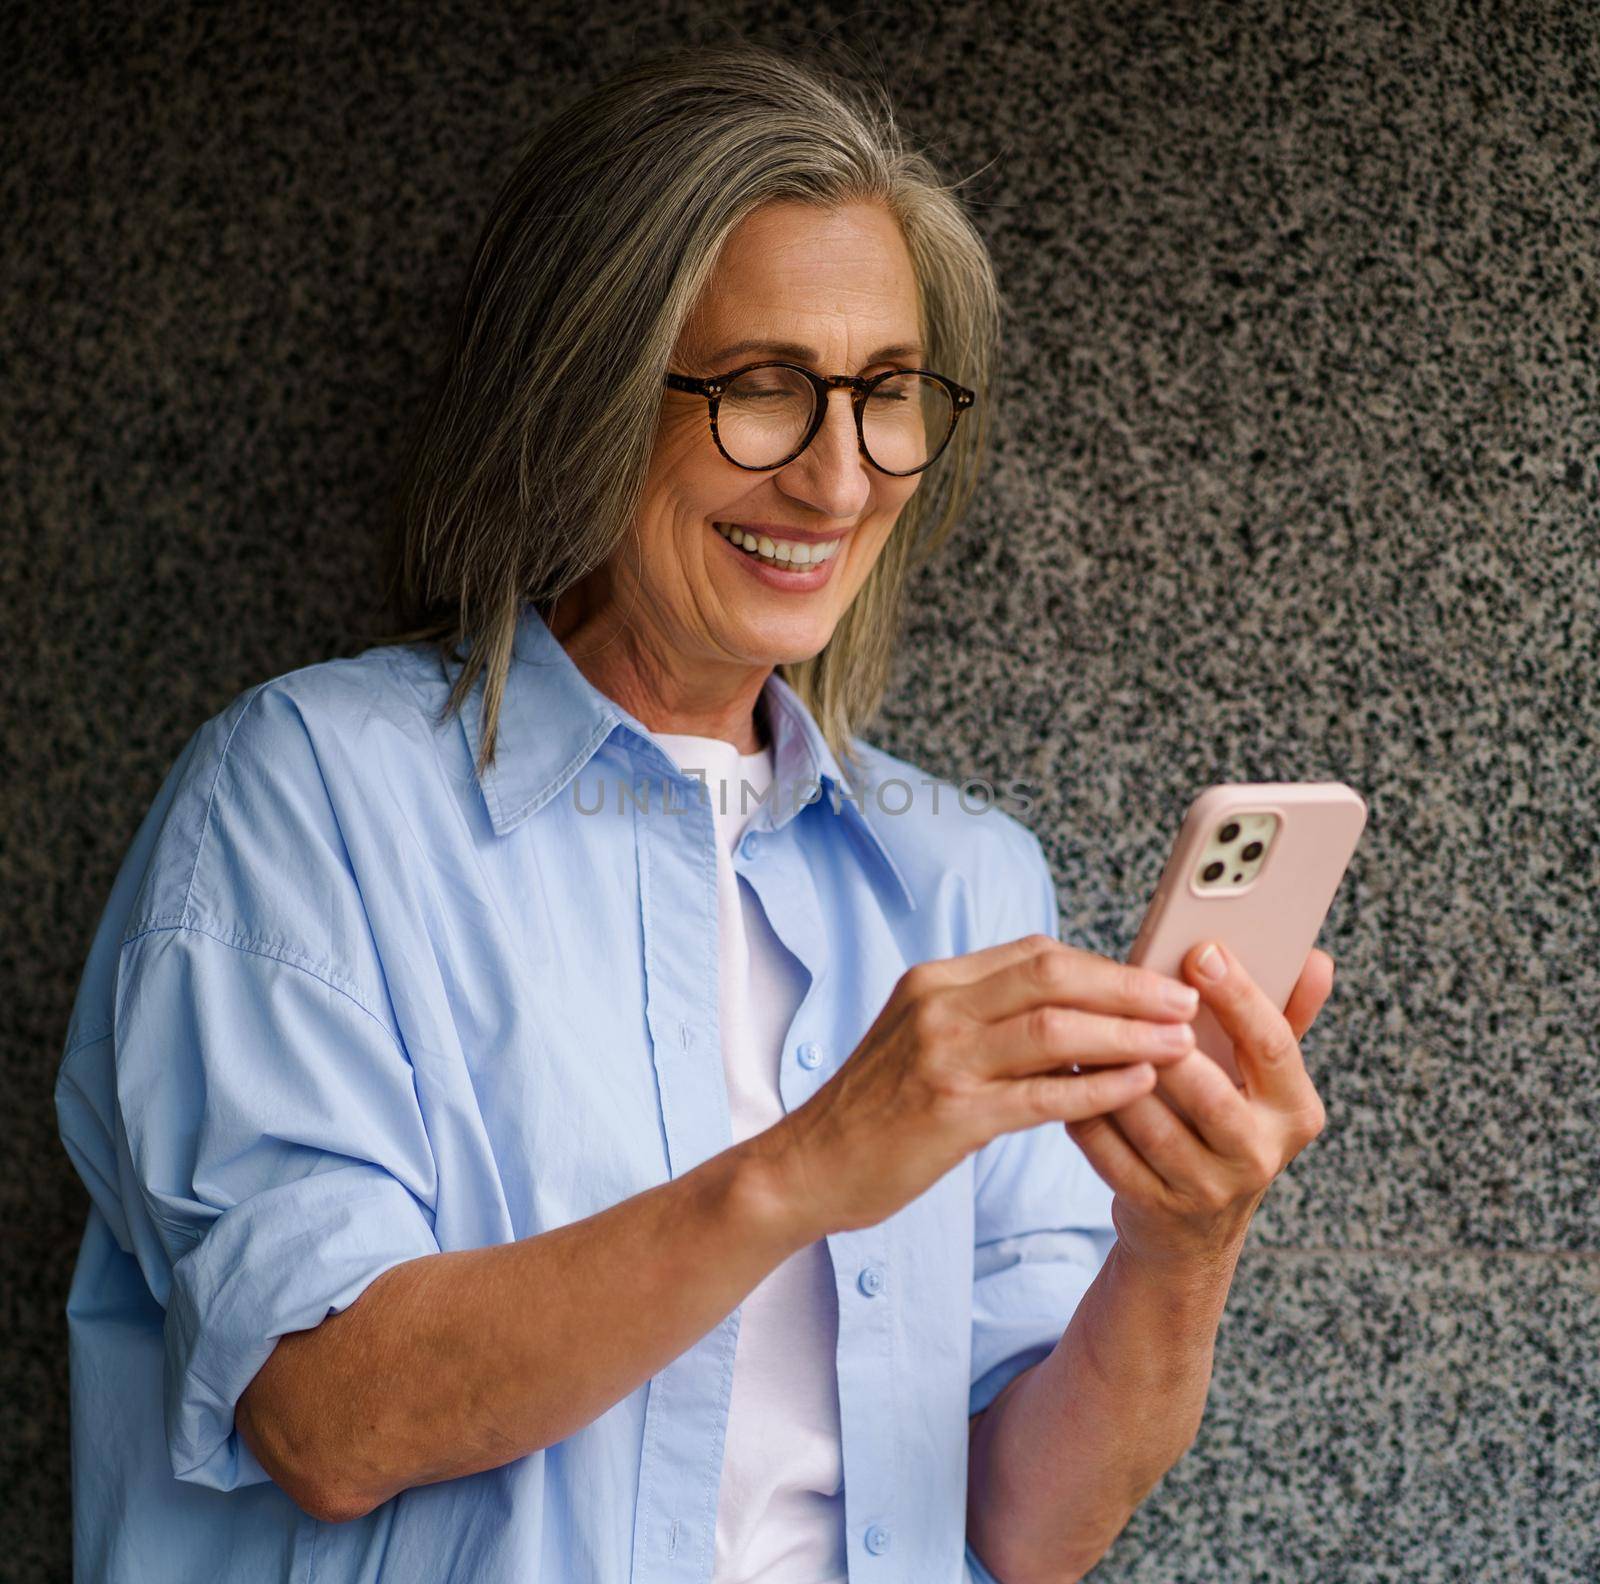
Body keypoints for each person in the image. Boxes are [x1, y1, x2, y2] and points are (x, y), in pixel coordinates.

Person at [54, 40, 1334, 1584]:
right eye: (762, 389)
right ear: (587, 386)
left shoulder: (964, 879)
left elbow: (1029, 1527)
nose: (839, 480)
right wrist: (806, 1165)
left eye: (886, 396)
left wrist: (1181, 1245)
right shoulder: (311, 795)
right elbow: (330, 1417)